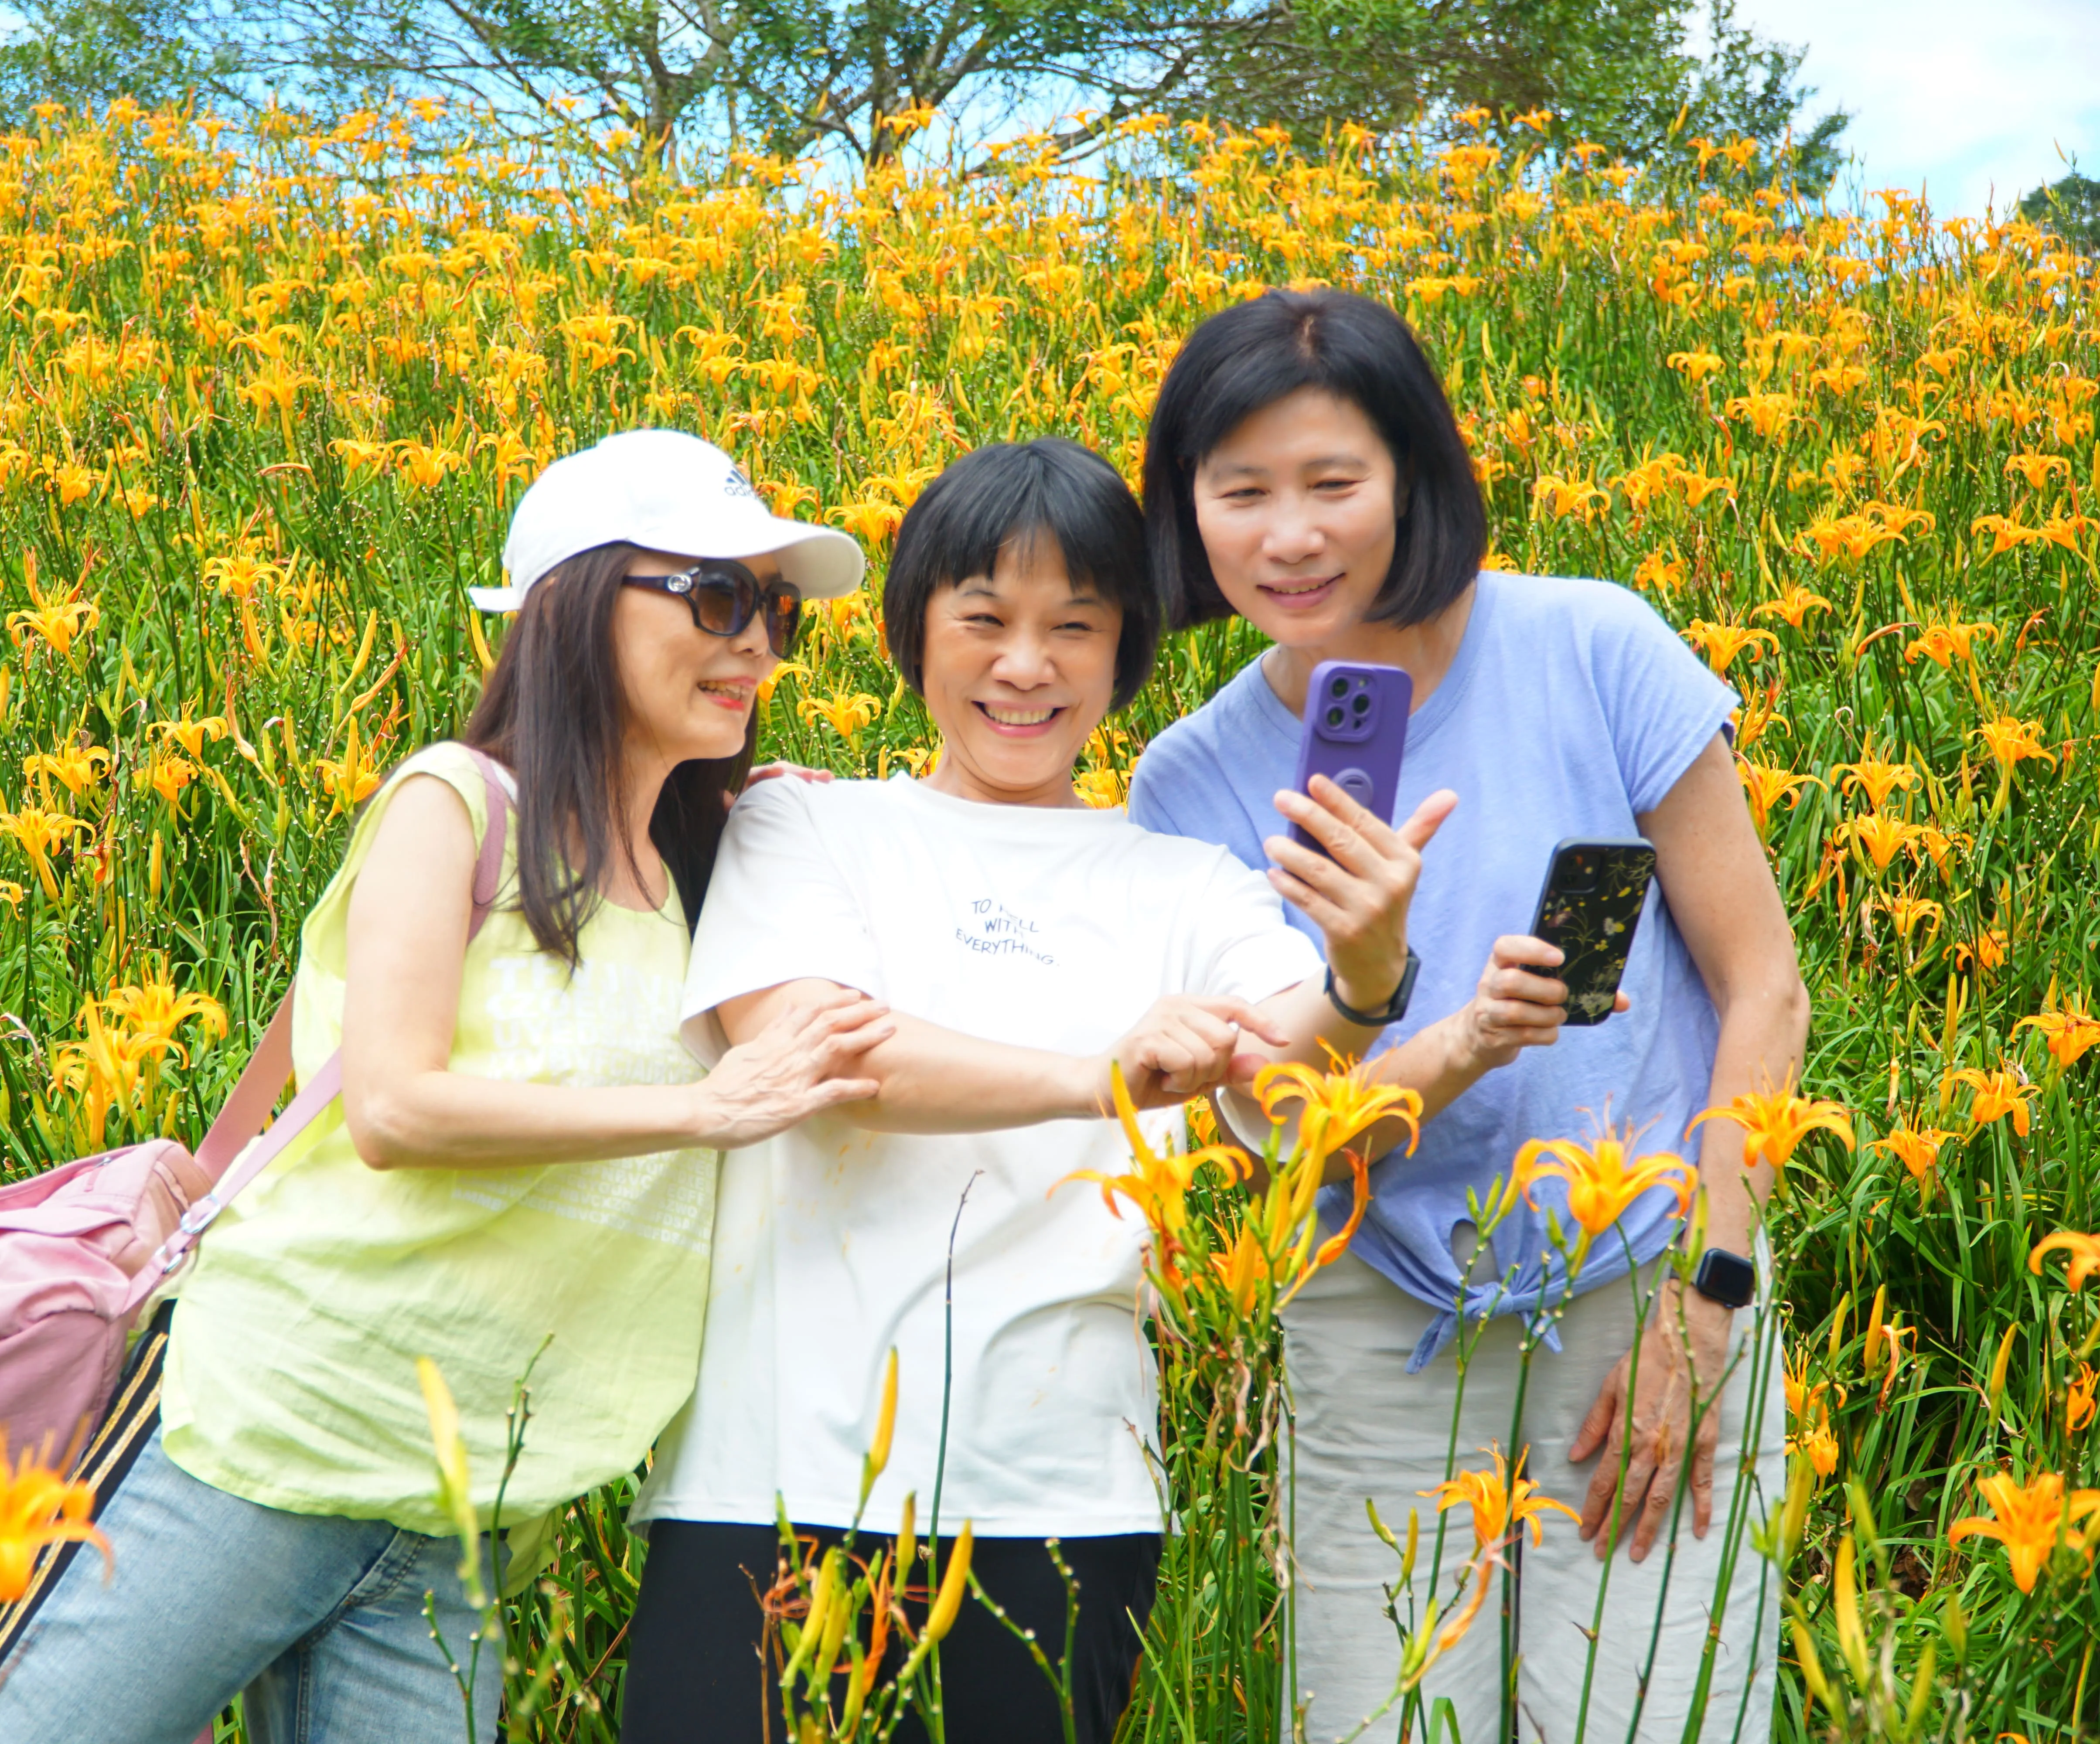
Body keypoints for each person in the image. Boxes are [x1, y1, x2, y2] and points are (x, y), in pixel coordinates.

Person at [0, 429, 897, 1744]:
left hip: (464, 1516)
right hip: (269, 1432)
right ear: (574, 603)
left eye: (777, 612)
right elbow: (392, 1108)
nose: (761, 646)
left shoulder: (705, 869)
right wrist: (706, 1109)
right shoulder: (456, 805)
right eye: (717, 598)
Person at [620, 437, 1575, 1744]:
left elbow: (1287, 1083)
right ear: (912, 635)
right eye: (984, 621)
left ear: (1126, 654)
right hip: (769, 1479)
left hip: (1060, 1497)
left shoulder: (1187, 884)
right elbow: (823, 1060)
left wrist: (1364, 974)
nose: (1027, 666)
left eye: (1075, 627)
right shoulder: (802, 825)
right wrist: (1101, 1078)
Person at [1128, 289, 1805, 1743]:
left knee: (1643, 1719)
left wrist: (1712, 1296)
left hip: (1648, 1279)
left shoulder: (1594, 647)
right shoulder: (1190, 781)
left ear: (1416, 477)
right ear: (1185, 509)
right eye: (1240, 491)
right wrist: (1373, 982)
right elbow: (1278, 1137)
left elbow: (1765, 985)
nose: (1289, 536)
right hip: (1376, 1312)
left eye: (1333, 483)